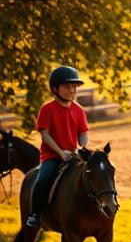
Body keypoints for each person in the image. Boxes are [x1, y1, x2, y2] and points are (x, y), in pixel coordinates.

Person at [24, 66, 90, 229]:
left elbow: (83, 133)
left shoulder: (78, 110)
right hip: (52, 156)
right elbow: (45, 135)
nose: (72, 89)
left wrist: (83, 143)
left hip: (72, 155)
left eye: (74, 86)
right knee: (43, 178)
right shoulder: (47, 109)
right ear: (55, 89)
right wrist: (60, 153)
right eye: (67, 86)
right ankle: (35, 214)